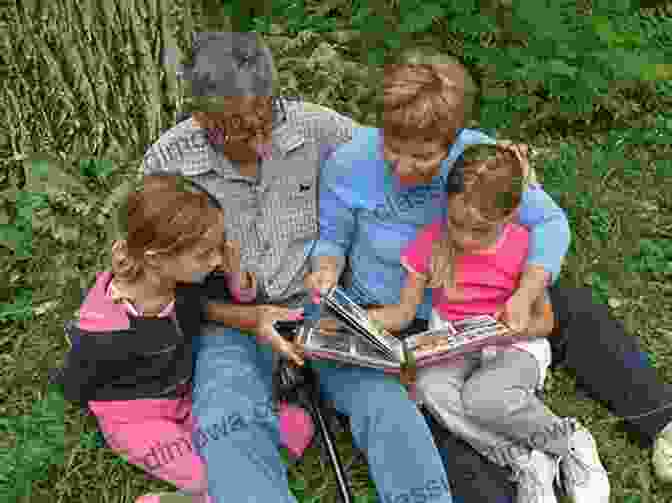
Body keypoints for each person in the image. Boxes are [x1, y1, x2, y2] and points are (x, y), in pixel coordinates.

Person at [306, 47, 672, 500]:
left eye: (421, 157)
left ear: (453, 140)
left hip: (489, 303)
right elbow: (332, 240)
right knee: (428, 410)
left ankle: (661, 421)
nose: (401, 167)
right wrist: (326, 270)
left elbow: (550, 223)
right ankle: (516, 473)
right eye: (391, 148)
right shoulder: (348, 163)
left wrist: (525, 293)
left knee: (577, 309)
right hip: (404, 315)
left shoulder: (478, 163)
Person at [144, 32, 455, 503]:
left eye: (264, 118)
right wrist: (247, 318)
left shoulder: (318, 128)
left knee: (382, 396)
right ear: (200, 113)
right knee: (229, 414)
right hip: (231, 319)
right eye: (234, 127)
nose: (259, 139)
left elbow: (410, 144)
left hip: (321, 306)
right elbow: (161, 276)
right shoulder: (168, 161)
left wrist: (491, 159)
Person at [365, 142, 610, 503]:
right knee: (432, 389)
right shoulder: (430, 243)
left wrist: (515, 324)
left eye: (477, 230)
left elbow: (545, 322)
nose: (463, 238)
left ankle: (569, 442)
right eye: (455, 223)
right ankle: (526, 459)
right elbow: (403, 313)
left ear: (510, 215)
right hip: (454, 345)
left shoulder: (524, 247)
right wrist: (360, 321)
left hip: (515, 347)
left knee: (483, 397)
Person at [53, 176, 230, 503]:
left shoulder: (183, 283)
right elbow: (73, 384)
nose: (218, 260)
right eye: (206, 253)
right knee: (206, 477)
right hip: (134, 417)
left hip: (181, 395)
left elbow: (220, 301)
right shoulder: (102, 332)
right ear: (155, 258)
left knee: (269, 434)